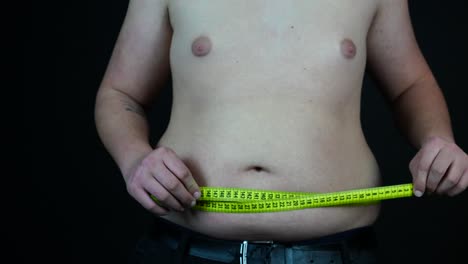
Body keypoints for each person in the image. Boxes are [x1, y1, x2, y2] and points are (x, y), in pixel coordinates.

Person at [94, 0, 468, 263]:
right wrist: (135, 160)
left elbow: (410, 86)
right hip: (184, 250)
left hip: (334, 255)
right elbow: (120, 94)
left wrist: (438, 138)